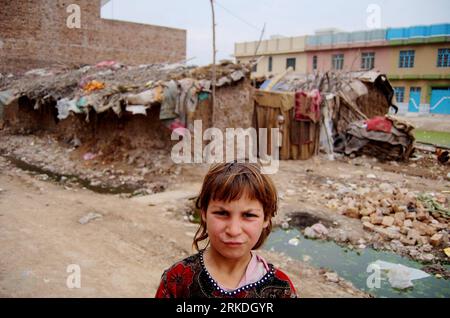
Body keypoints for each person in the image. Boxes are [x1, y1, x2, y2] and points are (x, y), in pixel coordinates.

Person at [155, 161, 297, 298]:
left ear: (266, 219)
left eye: (249, 215)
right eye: (222, 213)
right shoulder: (177, 280)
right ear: (204, 213)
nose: (234, 230)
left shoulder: (281, 289)